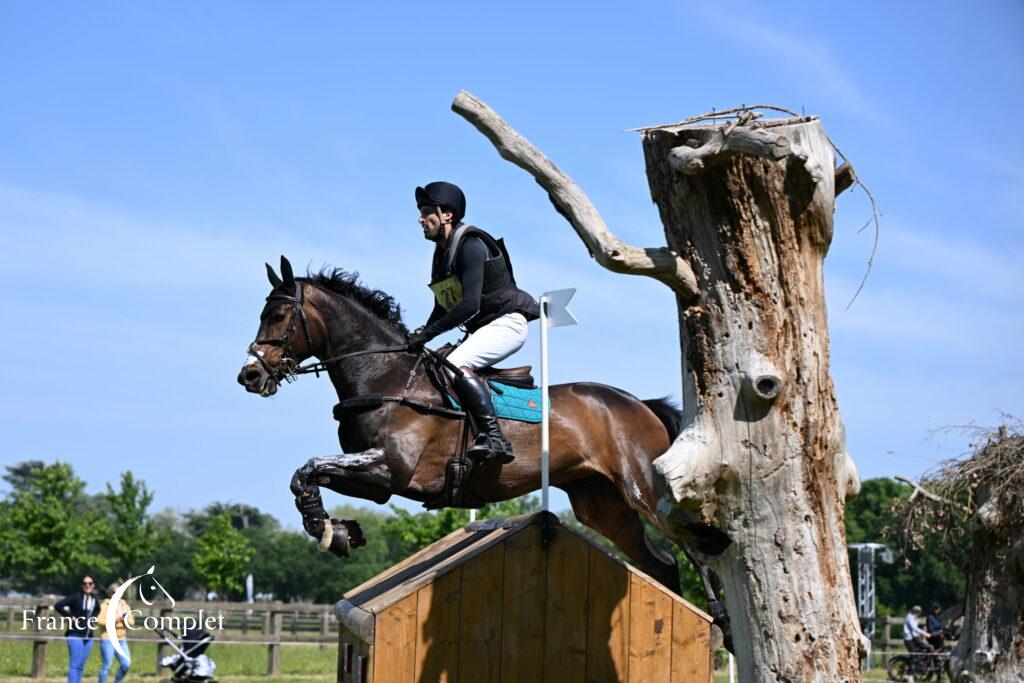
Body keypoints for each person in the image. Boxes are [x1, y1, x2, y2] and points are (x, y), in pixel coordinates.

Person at [407, 181, 539, 463]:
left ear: (447, 215)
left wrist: (427, 333)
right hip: (485, 327)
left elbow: (469, 305)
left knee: (454, 367)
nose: (421, 218)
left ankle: (495, 439)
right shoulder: (442, 253)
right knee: (434, 364)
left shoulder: (470, 245)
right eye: (420, 212)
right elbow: (442, 306)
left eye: (427, 211)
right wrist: (418, 336)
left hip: (507, 324)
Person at [54, 575, 101, 683]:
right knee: (75, 665)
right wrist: (71, 617)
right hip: (75, 635)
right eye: (85, 583)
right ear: (82, 585)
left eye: (90, 583)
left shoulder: (94, 599)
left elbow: (98, 609)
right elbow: (58, 605)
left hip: (88, 637)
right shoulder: (75, 597)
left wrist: (92, 619)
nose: (87, 585)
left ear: (93, 585)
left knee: (81, 665)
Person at [97, 583, 133, 683]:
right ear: (110, 594)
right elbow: (100, 621)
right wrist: (116, 620)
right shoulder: (105, 605)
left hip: (121, 639)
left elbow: (131, 622)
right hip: (107, 638)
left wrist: (125, 619)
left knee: (126, 664)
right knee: (107, 665)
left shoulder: (125, 605)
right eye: (114, 592)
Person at [902, 605, 932, 680]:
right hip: (908, 640)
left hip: (914, 638)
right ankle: (910, 675)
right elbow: (914, 628)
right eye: (917, 612)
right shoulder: (909, 617)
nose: (918, 614)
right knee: (913, 654)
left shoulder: (915, 618)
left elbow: (915, 631)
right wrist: (925, 633)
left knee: (927, 647)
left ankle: (922, 666)